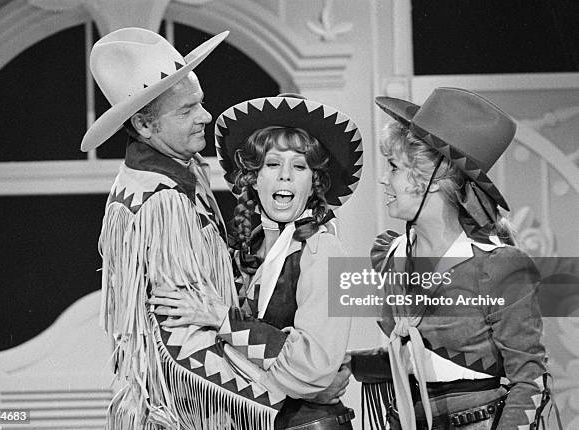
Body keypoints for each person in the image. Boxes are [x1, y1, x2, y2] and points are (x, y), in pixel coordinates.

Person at [84, 28, 297, 429]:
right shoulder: (158, 201)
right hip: (180, 414)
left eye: (200, 103)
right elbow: (179, 338)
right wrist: (285, 388)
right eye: (186, 111)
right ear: (145, 126)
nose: (206, 117)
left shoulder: (183, 174)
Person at [150, 94, 364, 429]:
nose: (285, 177)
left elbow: (312, 367)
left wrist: (221, 319)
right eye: (273, 164)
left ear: (315, 182)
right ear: (254, 177)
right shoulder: (245, 251)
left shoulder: (326, 252)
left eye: (299, 166)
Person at [352, 88, 558, 430]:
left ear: (430, 180)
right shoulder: (392, 255)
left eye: (394, 167)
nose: (384, 180)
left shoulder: (498, 267)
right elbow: (414, 357)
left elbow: (530, 380)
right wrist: (348, 364)